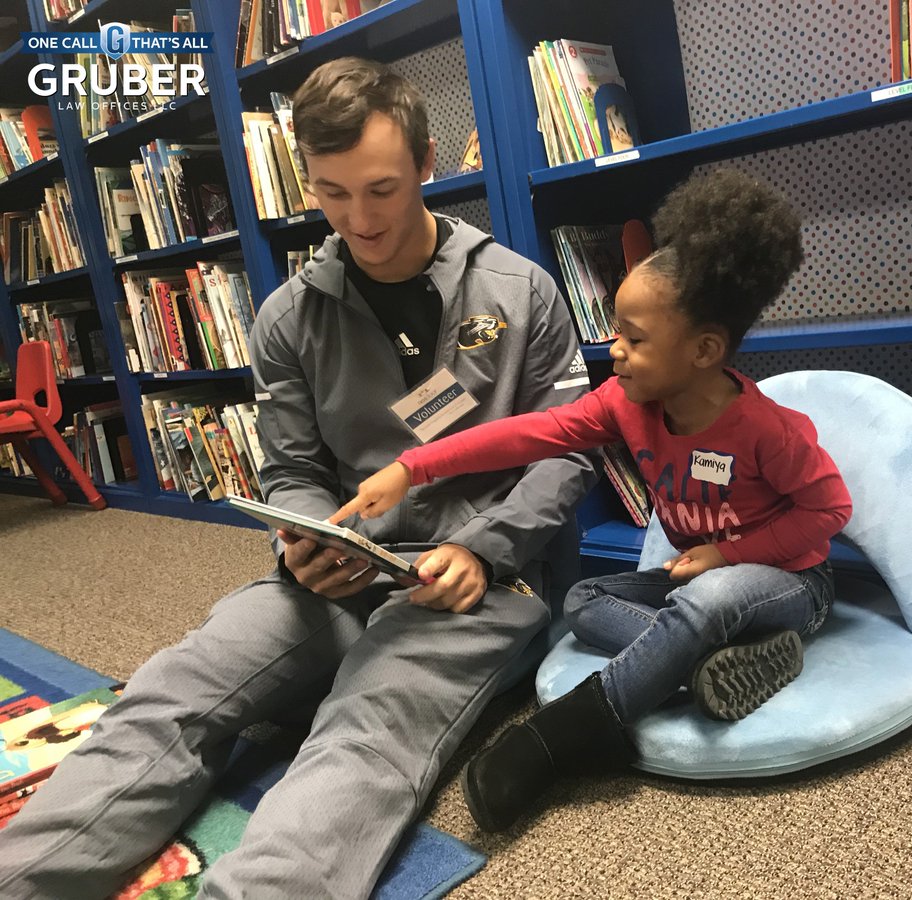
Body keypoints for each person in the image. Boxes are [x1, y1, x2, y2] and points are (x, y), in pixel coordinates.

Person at [0, 58, 594, 899]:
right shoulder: (286, 317)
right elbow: (290, 468)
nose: (361, 219)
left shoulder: (521, 291)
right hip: (344, 570)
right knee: (176, 685)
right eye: (332, 192)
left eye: (382, 189)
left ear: (427, 163)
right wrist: (303, 539)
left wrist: (489, 552)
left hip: (478, 577)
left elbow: (567, 452)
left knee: (364, 728)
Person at [333, 169, 854, 833]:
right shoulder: (623, 404)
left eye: (635, 339)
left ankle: (565, 736)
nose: (616, 351)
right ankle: (699, 665)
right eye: (617, 331)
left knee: (709, 598)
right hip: (703, 590)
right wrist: (412, 466)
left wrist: (730, 551)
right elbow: (526, 434)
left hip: (793, 586)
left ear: (704, 350)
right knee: (580, 602)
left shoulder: (767, 431)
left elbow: (830, 512)